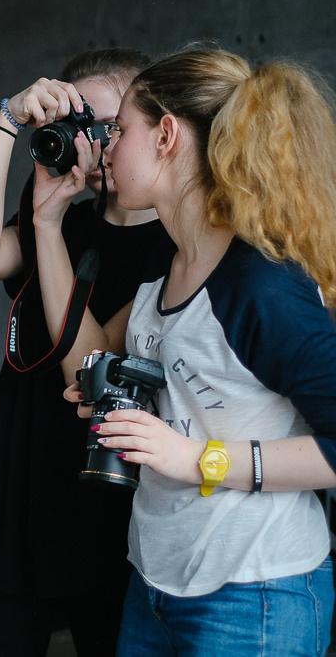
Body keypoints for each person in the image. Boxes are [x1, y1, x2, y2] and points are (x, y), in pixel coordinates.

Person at [43, 47, 336, 656]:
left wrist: (195, 458)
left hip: (255, 594)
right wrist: (46, 226)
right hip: (154, 582)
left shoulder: (260, 285)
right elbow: (88, 358)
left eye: (121, 130)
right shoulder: (168, 259)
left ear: (166, 136)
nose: (106, 148)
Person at [0, 50, 170, 656]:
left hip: (108, 511)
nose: (92, 144)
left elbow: (90, 367)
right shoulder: (61, 214)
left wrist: (47, 228)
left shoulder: (177, 249)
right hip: (10, 501)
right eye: (77, 124)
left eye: (108, 126)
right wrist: (7, 123)